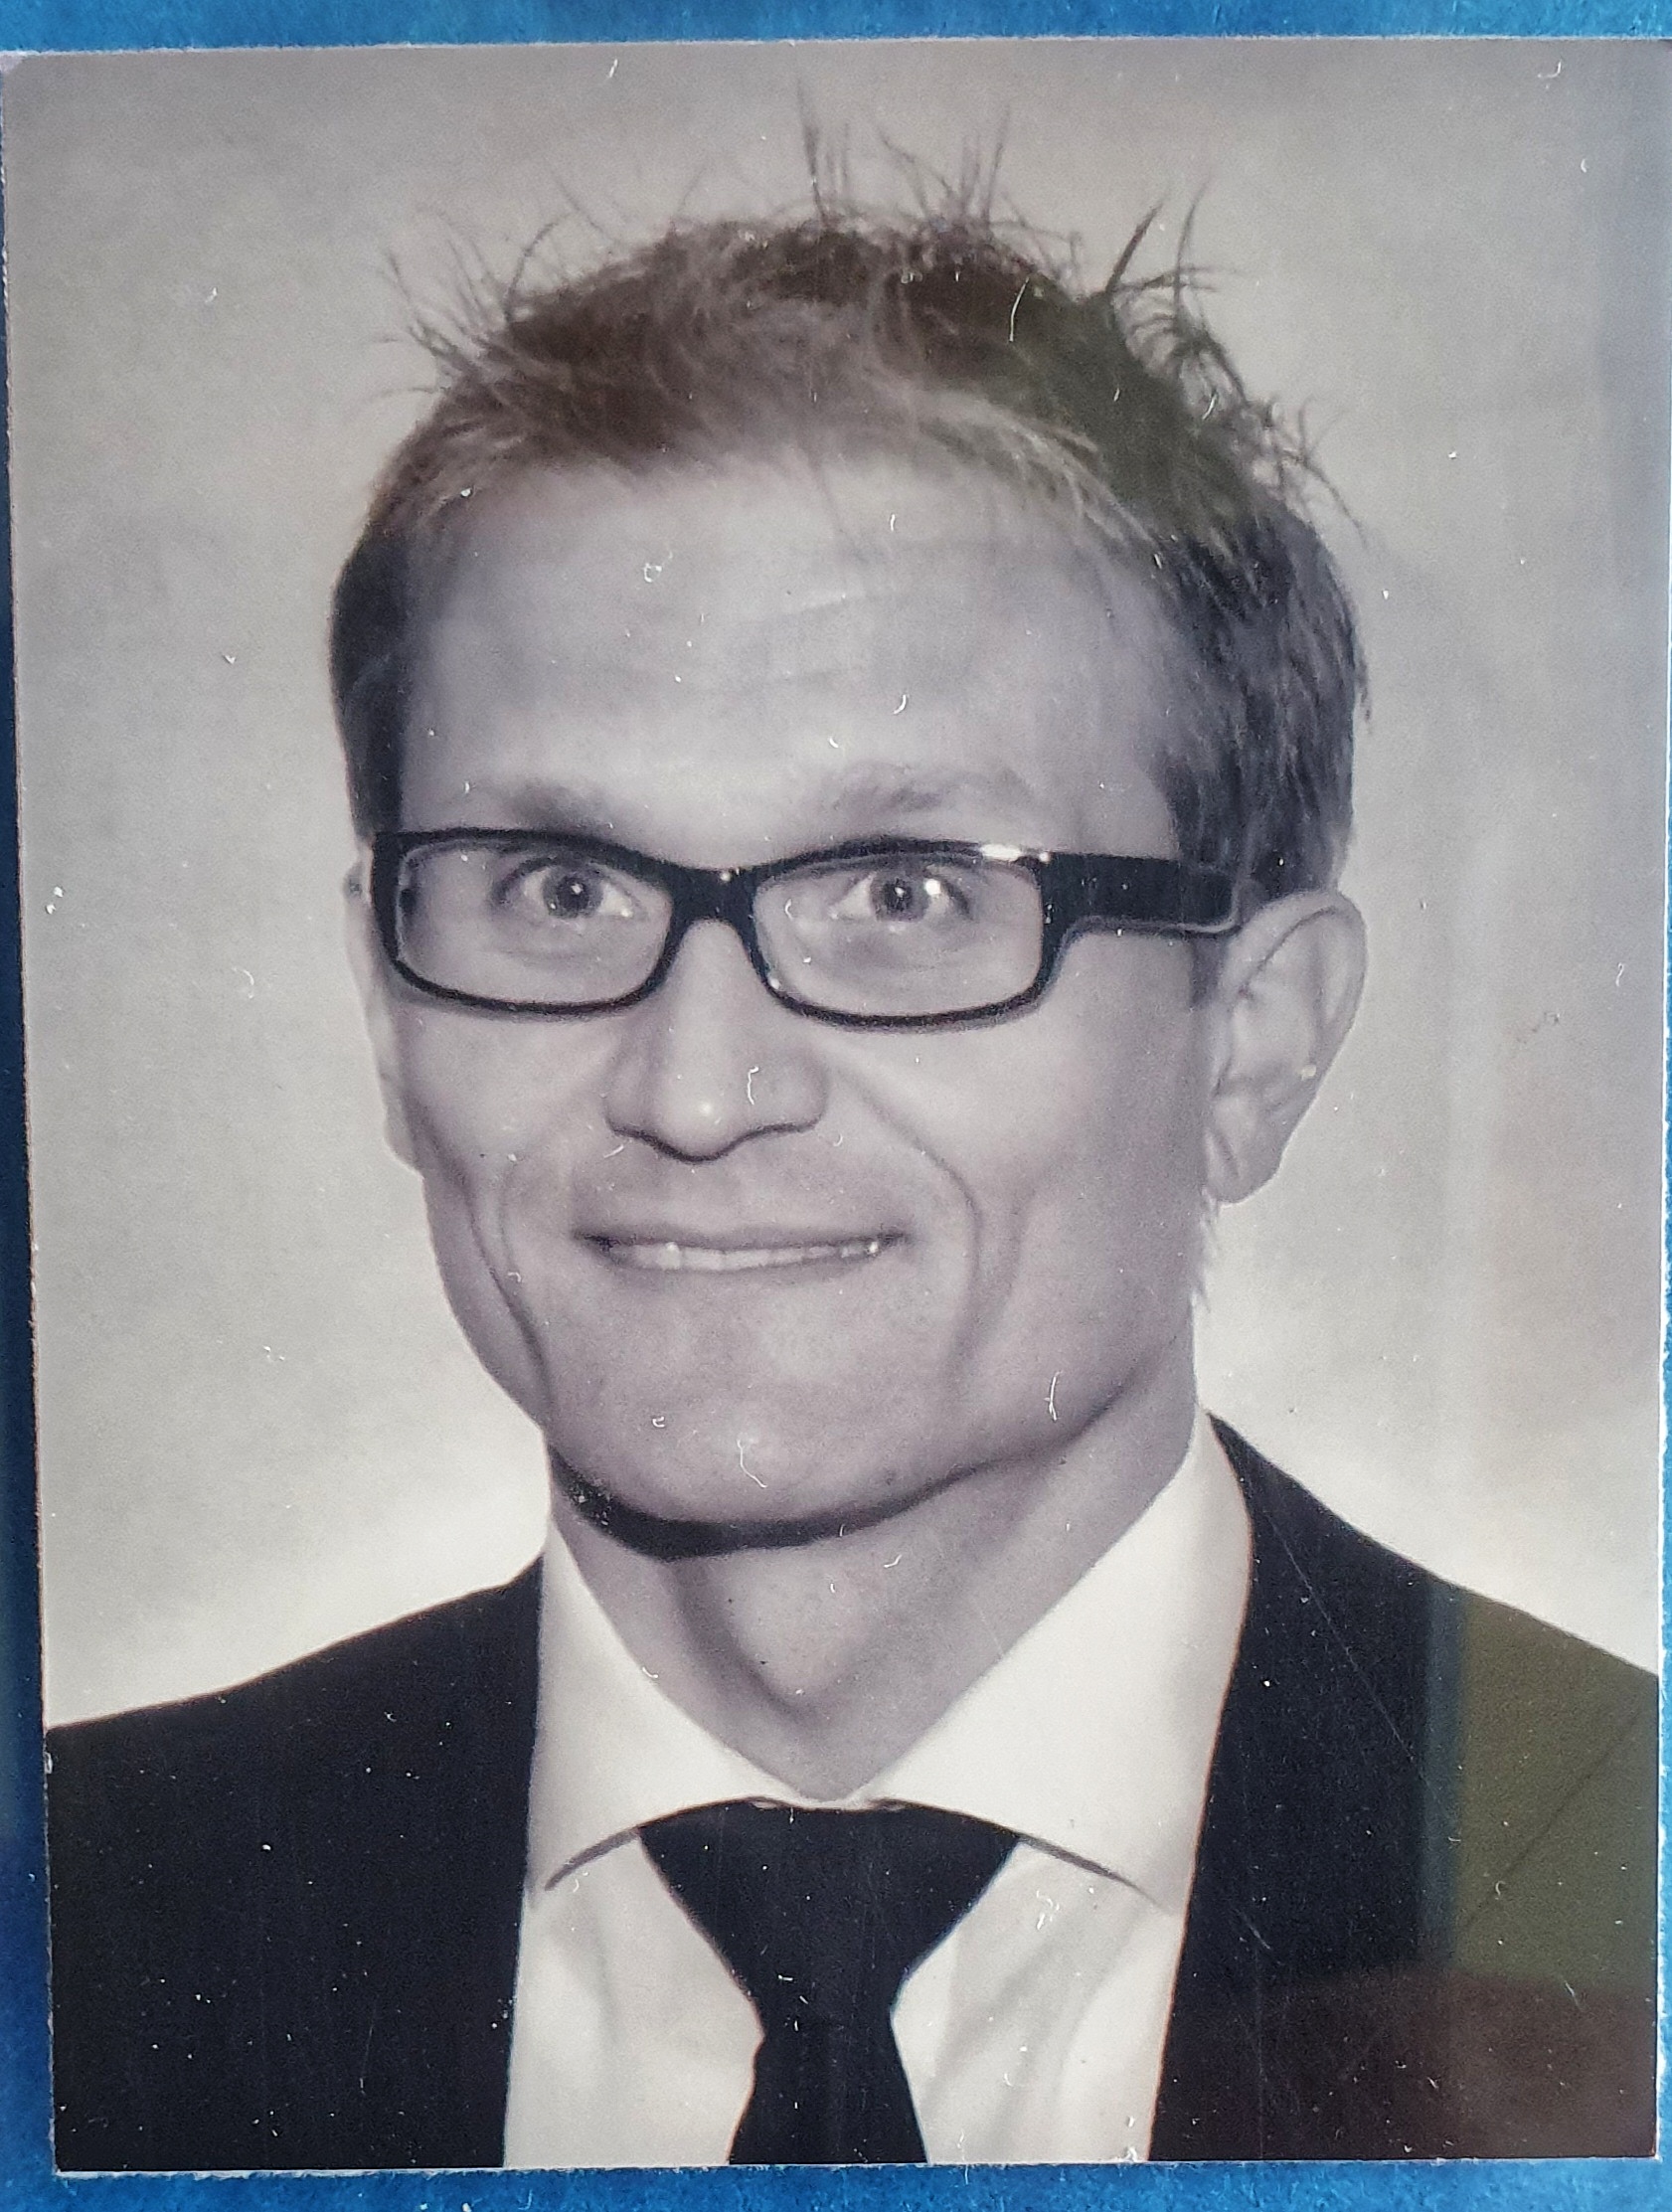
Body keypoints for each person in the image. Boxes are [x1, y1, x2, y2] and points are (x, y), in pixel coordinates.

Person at [46, 195, 1656, 2171]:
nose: (697, 1088)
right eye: (558, 889)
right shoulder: (80, 1928)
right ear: (390, 1015)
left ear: (1252, 1039)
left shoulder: (1620, 1890)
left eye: (903, 892)